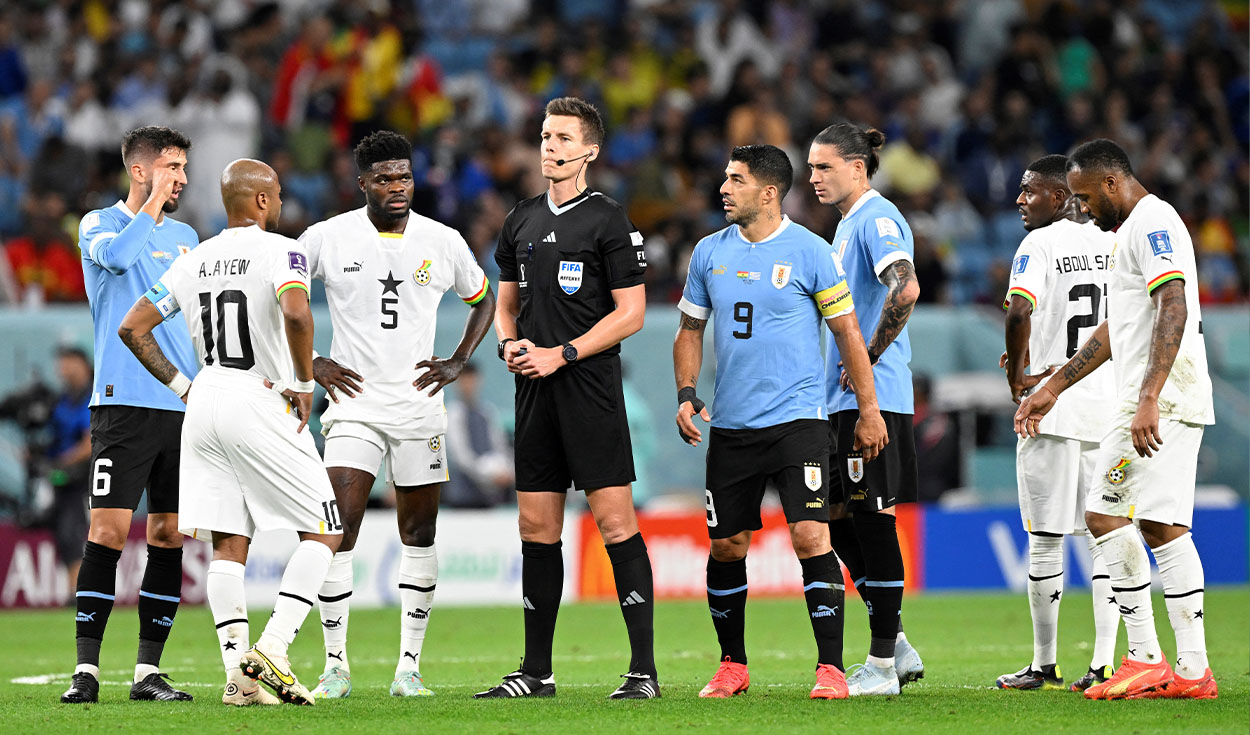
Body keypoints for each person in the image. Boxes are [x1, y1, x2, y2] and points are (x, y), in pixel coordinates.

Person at [118, 158, 342, 706]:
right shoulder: (282, 250)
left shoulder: (195, 259)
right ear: (262, 202)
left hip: (205, 397)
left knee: (228, 543)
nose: (283, 203)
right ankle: (273, 647)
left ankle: (239, 682)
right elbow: (296, 314)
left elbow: (133, 327)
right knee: (326, 530)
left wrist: (182, 387)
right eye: (280, 195)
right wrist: (303, 381)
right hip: (260, 397)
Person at [673, 144, 887, 701]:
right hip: (733, 427)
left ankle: (831, 669)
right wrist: (687, 394)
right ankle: (732, 665)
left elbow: (847, 335)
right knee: (727, 547)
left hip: (800, 422)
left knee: (811, 534)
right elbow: (690, 331)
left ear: (768, 193)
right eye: (724, 177)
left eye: (735, 180)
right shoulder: (707, 254)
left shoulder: (812, 252)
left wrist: (868, 411)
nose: (723, 188)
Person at [1016, 139, 1217, 700]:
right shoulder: (1127, 234)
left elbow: (1172, 304)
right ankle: (1194, 671)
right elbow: (1114, 329)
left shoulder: (1155, 224)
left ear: (1110, 184)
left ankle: (1144, 657)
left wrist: (1149, 395)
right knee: (1160, 525)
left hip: (1160, 398)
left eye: (1083, 198)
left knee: (1104, 513)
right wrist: (1053, 386)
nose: (1080, 209)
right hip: (1158, 395)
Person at [300, 130, 495, 699]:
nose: (397, 187)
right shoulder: (327, 237)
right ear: (362, 183)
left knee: (419, 531)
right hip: (352, 407)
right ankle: (336, 665)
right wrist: (311, 361)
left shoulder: (443, 239)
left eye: (404, 176)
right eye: (384, 178)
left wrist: (459, 360)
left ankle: (408, 668)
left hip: (418, 408)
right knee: (340, 527)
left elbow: (482, 298)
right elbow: (276, 294)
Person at [480, 97, 656, 700]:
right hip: (533, 390)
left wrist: (565, 353)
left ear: (589, 151)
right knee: (536, 526)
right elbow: (505, 304)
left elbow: (630, 313)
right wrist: (509, 345)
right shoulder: (521, 219)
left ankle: (642, 672)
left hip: (587, 387)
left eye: (561, 138)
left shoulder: (609, 219)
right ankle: (536, 672)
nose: (549, 146)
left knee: (613, 522)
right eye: (544, 136)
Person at [62, 126, 199, 705]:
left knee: (168, 534)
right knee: (109, 531)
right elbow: (117, 262)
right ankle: (86, 672)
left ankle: (148, 672)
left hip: (183, 405)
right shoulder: (100, 224)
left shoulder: (190, 235)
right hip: (122, 403)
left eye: (185, 168)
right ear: (140, 171)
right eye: (173, 167)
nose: (183, 178)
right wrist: (147, 206)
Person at [995, 154, 1121, 692]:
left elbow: (1019, 311)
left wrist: (1018, 374)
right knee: (1105, 538)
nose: (1020, 200)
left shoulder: (1038, 245)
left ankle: (1044, 664)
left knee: (1046, 537)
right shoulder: (1114, 244)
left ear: (1059, 195)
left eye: (1030, 191)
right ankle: (1105, 663)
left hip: (1051, 406)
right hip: (1107, 407)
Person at [807, 123, 923, 696]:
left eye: (824, 167)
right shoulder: (848, 225)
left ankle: (881, 667)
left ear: (857, 167)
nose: (813, 177)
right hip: (839, 398)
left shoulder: (876, 219)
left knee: (872, 520)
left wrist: (866, 362)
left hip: (871, 399)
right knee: (834, 518)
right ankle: (894, 638)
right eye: (810, 167)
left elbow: (904, 289)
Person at [47, 347, 94, 599]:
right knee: (63, 533)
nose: (63, 369)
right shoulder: (62, 399)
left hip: (86, 478)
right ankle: (72, 588)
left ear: (82, 364)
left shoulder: (94, 395)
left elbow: (90, 442)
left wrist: (60, 462)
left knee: (73, 531)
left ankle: (79, 590)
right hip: (62, 479)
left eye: (68, 363)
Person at [445, 362, 514, 508]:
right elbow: (461, 456)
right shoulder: (453, 414)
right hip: (463, 496)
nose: (468, 384)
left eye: (471, 379)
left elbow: (500, 446)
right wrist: (488, 475)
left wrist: (506, 471)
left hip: (491, 495)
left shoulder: (487, 412)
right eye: (464, 380)